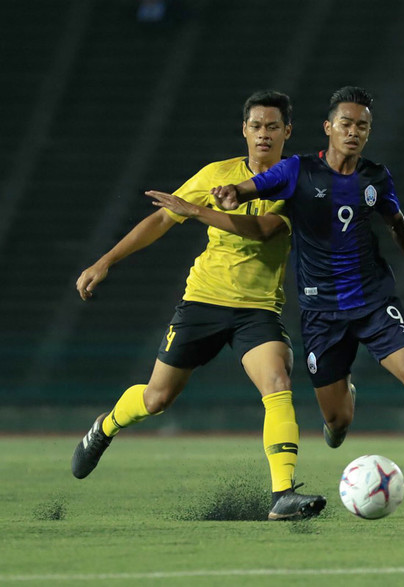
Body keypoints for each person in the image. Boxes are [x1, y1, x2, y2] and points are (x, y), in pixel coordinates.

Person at [202, 86, 404, 504]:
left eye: (362, 126)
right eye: (346, 123)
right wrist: (233, 193)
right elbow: (252, 187)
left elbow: (398, 223)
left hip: (374, 302)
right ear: (328, 127)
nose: (354, 132)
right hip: (322, 312)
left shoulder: (375, 177)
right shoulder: (297, 171)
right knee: (337, 421)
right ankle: (343, 409)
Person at [71, 90, 326, 521]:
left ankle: (282, 494)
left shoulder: (297, 182)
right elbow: (162, 218)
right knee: (156, 399)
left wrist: (197, 211)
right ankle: (105, 426)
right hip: (202, 301)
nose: (264, 134)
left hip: (258, 309)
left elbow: (262, 229)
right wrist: (105, 261)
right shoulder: (216, 174)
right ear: (244, 129)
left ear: (288, 132)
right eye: (256, 126)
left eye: (273, 127)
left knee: (278, 381)